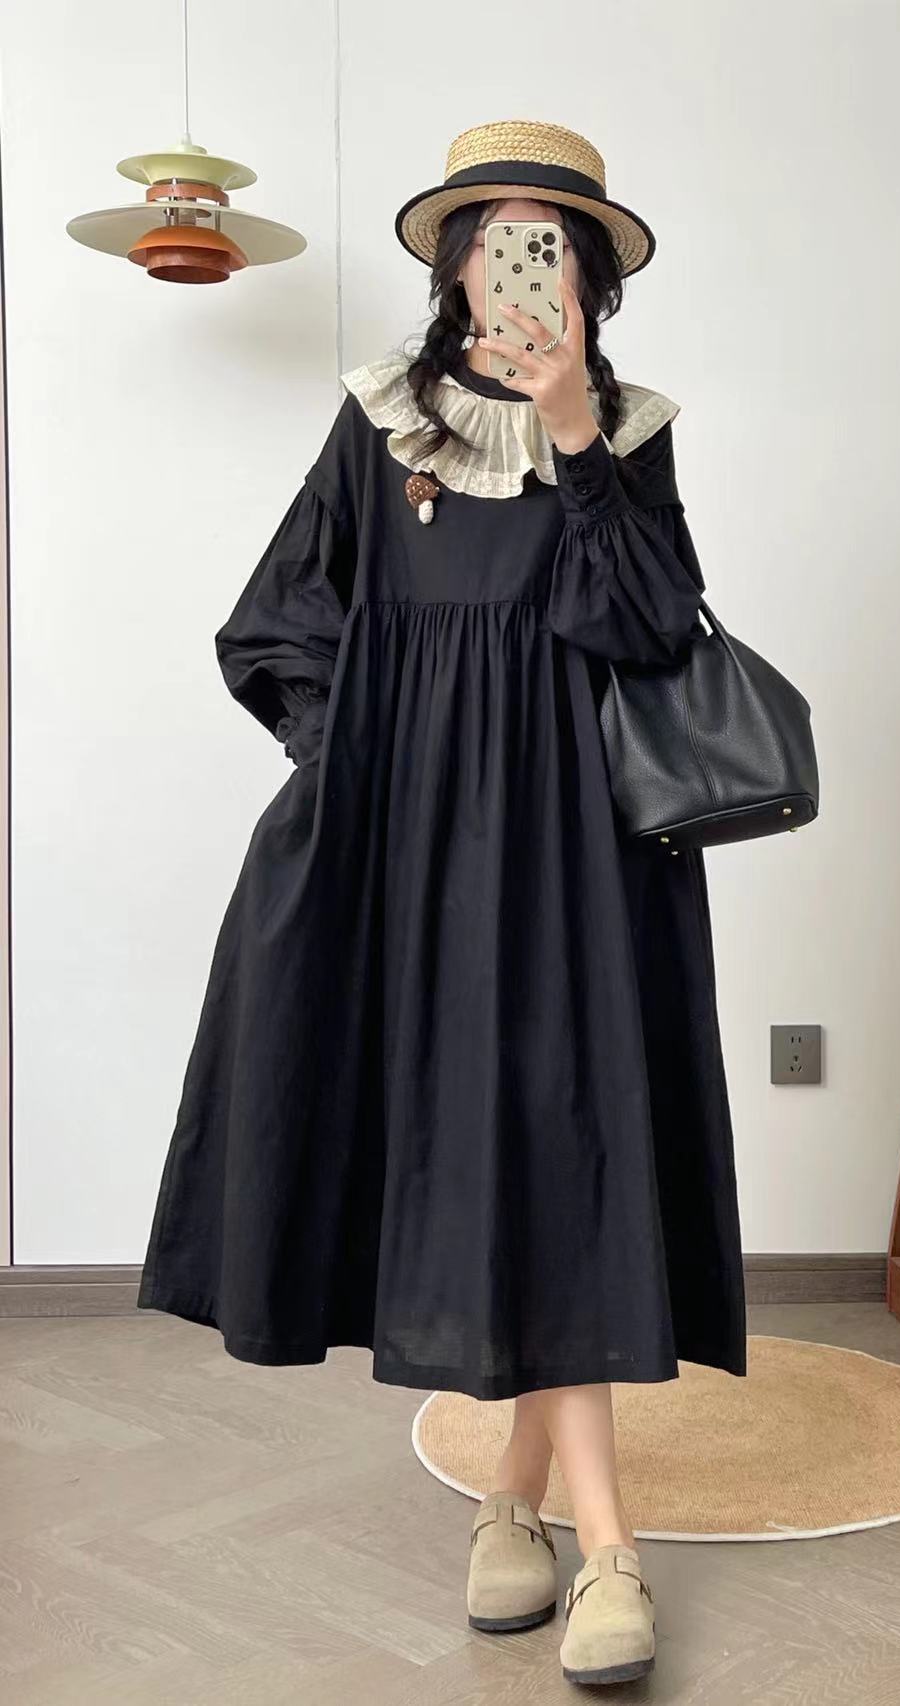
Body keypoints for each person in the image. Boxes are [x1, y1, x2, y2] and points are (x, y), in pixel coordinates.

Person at [137, 117, 746, 1687]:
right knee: (491, 1154)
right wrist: (361, 763)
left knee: (560, 1151)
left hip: (581, 854)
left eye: (550, 242)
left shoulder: (630, 432)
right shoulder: (381, 423)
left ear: (588, 276)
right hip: (409, 853)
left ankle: (583, 1538)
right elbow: (278, 621)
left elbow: (651, 628)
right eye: (495, 237)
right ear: (458, 265)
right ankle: (528, 1512)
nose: (517, 265)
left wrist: (577, 436)